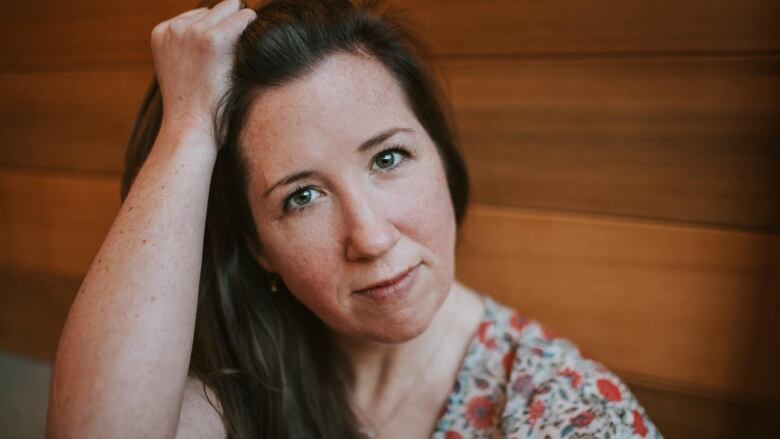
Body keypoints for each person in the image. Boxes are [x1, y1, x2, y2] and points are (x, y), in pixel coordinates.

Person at [46, 0, 662, 438]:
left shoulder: (570, 413)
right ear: (258, 247)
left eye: (389, 158)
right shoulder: (247, 385)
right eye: (302, 197)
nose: (369, 236)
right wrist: (187, 131)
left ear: (442, 158)